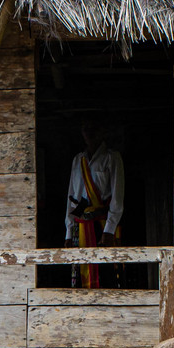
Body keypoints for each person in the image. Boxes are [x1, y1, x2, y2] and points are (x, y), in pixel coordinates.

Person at [66, 124, 125, 290]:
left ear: (103, 132)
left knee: (107, 274)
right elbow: (71, 197)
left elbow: (117, 196)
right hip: (81, 226)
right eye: (86, 128)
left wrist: (109, 230)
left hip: (103, 224)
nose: (89, 132)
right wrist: (69, 231)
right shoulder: (78, 160)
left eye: (94, 128)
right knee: (80, 274)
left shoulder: (112, 158)